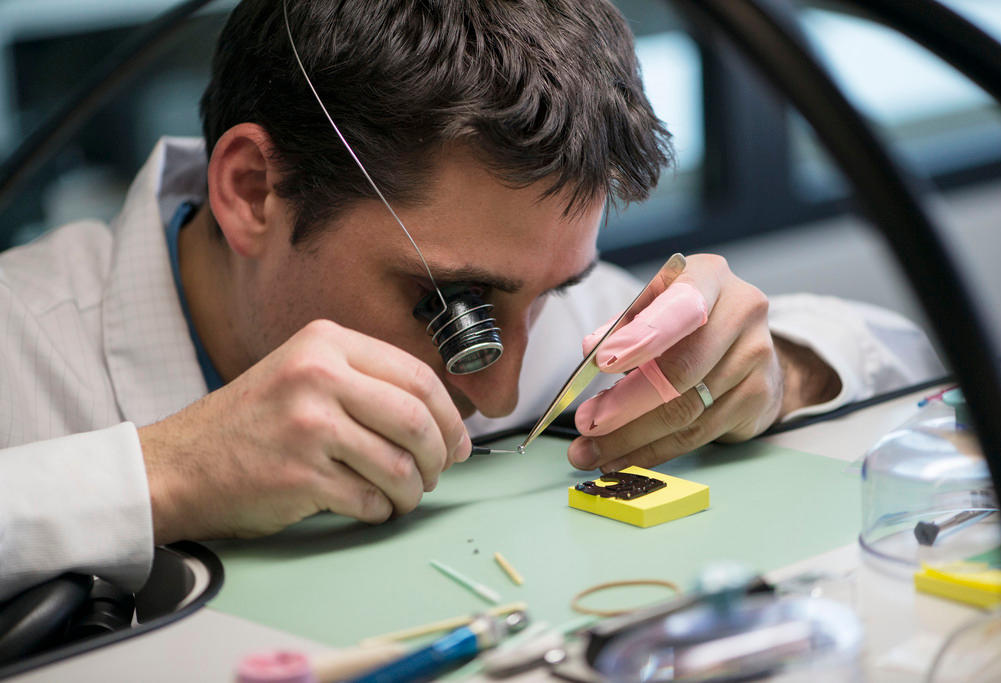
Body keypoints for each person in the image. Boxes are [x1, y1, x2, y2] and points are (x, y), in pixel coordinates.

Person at [0, 0, 942, 602]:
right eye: (458, 304)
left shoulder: (528, 299)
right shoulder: (23, 348)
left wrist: (774, 369)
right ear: (253, 189)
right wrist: (167, 471)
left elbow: (906, 351)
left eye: (556, 290)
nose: (499, 393)